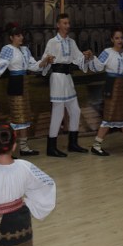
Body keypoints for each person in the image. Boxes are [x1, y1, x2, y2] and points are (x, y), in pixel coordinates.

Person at [0, 25, 53, 156]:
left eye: (21, 35)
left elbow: (34, 66)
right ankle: (9, 147)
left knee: (24, 115)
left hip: (24, 82)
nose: (21, 38)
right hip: (15, 82)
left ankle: (24, 147)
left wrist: (45, 61)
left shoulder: (25, 50)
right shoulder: (8, 49)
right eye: (18, 35)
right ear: (11, 37)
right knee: (16, 116)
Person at [87, 27, 123, 156]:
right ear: (112, 39)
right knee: (109, 114)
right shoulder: (107, 52)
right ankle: (96, 145)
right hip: (112, 85)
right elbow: (98, 66)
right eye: (117, 38)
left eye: (121, 38)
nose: (120, 40)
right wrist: (91, 58)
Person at [41, 14, 91, 157]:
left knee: (75, 110)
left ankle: (73, 143)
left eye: (68, 23)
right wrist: (48, 60)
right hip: (57, 78)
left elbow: (78, 58)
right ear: (58, 25)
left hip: (68, 78)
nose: (67, 26)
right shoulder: (52, 42)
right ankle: (51, 147)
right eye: (64, 23)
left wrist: (85, 57)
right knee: (58, 113)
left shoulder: (71, 42)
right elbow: (44, 60)